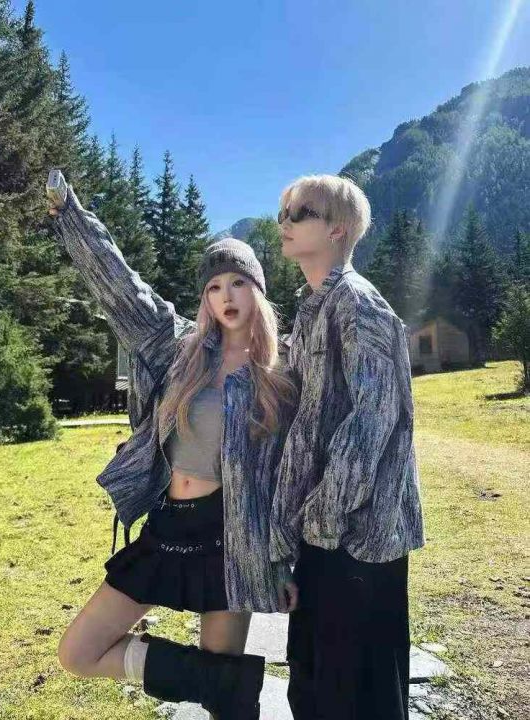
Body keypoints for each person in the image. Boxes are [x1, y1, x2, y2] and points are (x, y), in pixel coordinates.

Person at [47, 180, 298, 720]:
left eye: (238, 283)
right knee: (78, 652)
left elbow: (290, 479)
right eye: (214, 287)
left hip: (232, 537)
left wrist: (282, 562)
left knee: (223, 697)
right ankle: (231, 685)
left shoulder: (282, 372)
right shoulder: (179, 347)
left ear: (257, 289)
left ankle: (230, 691)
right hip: (167, 525)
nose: (226, 296)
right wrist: (71, 216)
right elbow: (121, 286)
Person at [270, 174, 425, 720]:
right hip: (322, 532)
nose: (284, 223)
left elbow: (376, 417)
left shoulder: (358, 303)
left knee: (360, 694)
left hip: (361, 537)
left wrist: (324, 515)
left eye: (300, 213)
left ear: (337, 229)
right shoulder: (312, 308)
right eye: (284, 212)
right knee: (313, 684)